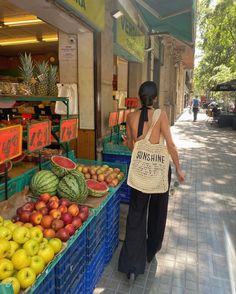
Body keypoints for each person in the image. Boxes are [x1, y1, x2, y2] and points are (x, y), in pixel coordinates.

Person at [118, 81, 185, 281]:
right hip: (159, 172)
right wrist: (179, 168)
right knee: (157, 213)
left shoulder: (130, 116)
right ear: (155, 98)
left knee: (136, 215)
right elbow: (170, 144)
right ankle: (150, 251)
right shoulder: (161, 115)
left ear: (139, 97)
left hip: (140, 171)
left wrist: (129, 141)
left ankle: (131, 264)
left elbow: (132, 147)